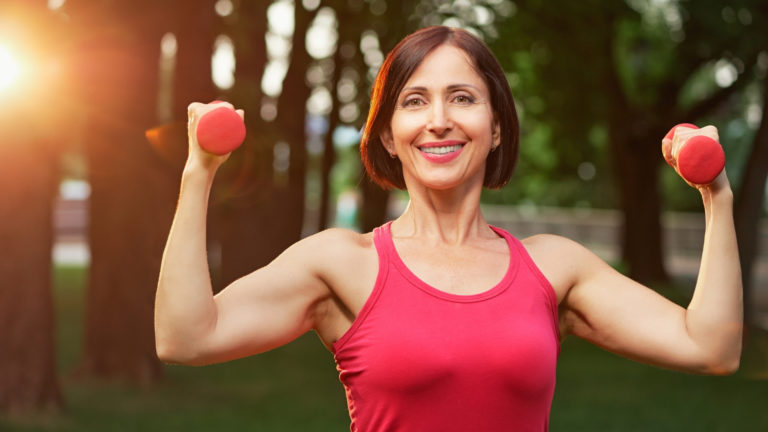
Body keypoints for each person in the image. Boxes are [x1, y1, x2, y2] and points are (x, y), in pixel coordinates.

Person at [154, 26, 742, 431]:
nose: (438, 121)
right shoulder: (341, 263)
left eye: (462, 98)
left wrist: (715, 198)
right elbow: (185, 337)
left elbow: (710, 346)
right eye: (414, 101)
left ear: (496, 128)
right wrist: (198, 172)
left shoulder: (555, 267)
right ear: (388, 134)